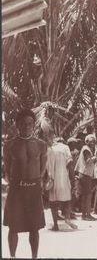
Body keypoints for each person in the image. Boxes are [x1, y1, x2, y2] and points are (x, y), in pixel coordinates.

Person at [3, 109, 47, 258]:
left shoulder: (41, 144)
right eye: (23, 124)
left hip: (34, 190)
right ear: (17, 125)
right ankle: (12, 257)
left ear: (34, 125)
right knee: (13, 227)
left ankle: (34, 257)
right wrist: (13, 182)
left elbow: (43, 166)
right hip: (16, 190)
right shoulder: (9, 145)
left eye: (29, 124)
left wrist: (37, 181)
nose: (26, 127)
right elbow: (7, 168)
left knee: (34, 228)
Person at [47, 137, 77, 231]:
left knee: (53, 203)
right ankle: (67, 218)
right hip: (63, 178)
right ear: (63, 142)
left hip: (52, 178)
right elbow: (70, 163)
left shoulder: (49, 148)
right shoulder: (65, 147)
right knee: (67, 200)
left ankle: (55, 224)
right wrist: (72, 178)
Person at [75, 134, 97, 221]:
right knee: (87, 195)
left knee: (86, 195)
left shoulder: (86, 149)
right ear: (86, 141)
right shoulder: (86, 150)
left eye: (93, 141)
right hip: (85, 174)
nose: (92, 143)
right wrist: (95, 158)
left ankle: (85, 214)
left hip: (85, 174)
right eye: (91, 141)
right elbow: (88, 161)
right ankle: (86, 215)